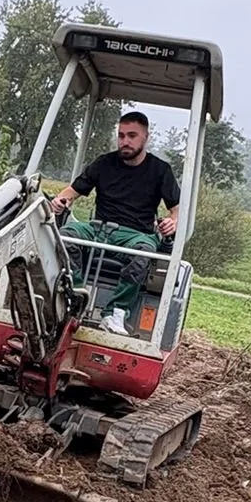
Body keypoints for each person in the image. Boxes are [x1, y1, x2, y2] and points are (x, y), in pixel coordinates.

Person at [48, 110, 180, 334]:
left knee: (145, 251)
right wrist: (59, 201)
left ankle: (115, 313)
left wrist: (173, 222)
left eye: (132, 135)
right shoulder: (104, 163)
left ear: (146, 137)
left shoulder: (160, 171)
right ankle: (76, 295)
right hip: (98, 228)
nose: (125, 141)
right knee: (67, 234)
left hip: (135, 235)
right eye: (121, 135)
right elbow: (71, 191)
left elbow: (176, 211)